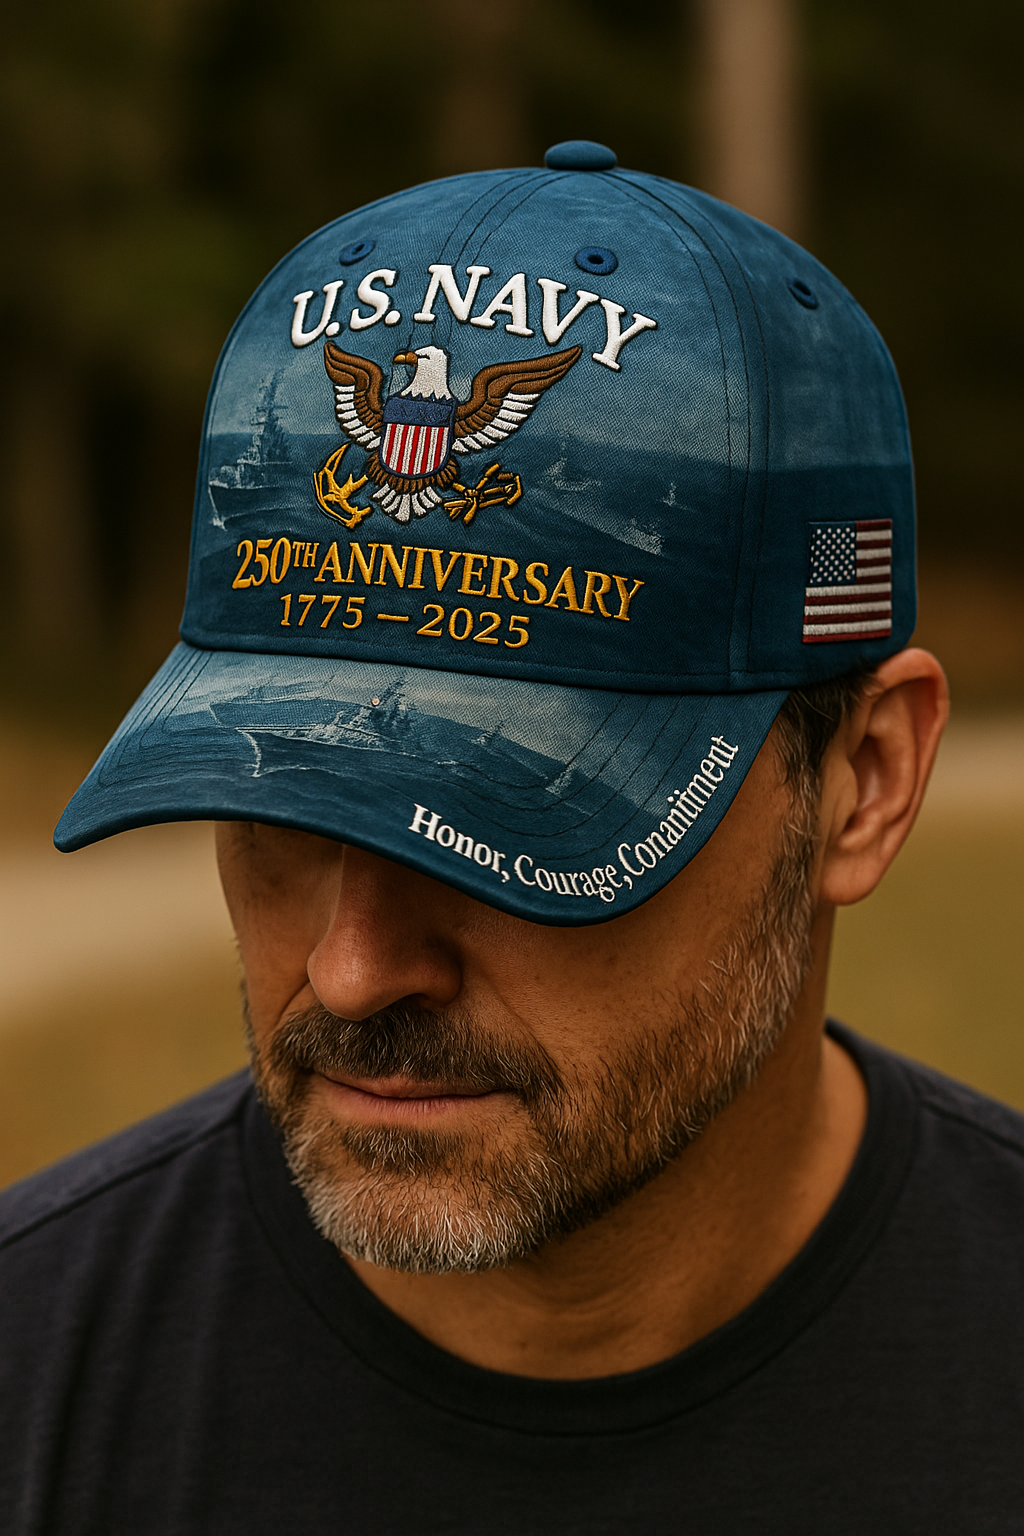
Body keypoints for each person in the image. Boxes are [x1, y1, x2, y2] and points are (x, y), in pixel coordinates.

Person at [2, 140, 1021, 1533]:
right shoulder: (34, 1377)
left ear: (867, 782)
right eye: (286, 796)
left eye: (513, 815)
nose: (353, 971)